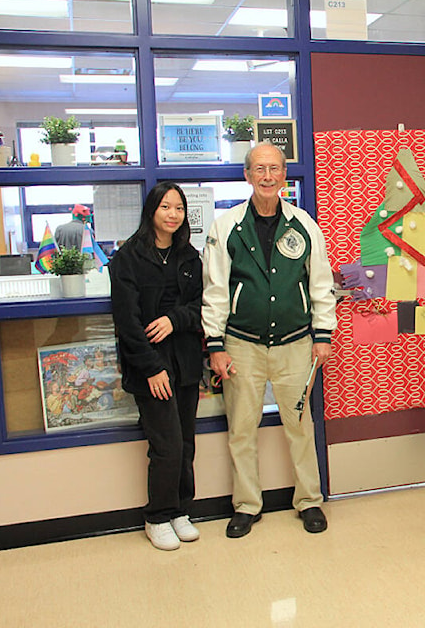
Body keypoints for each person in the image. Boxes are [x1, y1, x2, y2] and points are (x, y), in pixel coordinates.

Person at [202, 142, 336, 538]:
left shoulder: (303, 224)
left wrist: (323, 335)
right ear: (247, 175)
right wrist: (215, 344)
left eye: (274, 169)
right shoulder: (225, 226)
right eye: (259, 169)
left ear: (283, 175)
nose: (267, 176)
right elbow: (215, 289)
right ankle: (246, 505)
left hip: (296, 343)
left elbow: (321, 284)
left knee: (300, 425)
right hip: (241, 344)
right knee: (242, 428)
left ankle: (309, 501)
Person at [109, 182, 204, 551]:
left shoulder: (189, 256)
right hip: (150, 366)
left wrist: (173, 319)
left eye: (178, 208)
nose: (172, 214)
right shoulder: (128, 258)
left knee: (185, 443)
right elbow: (127, 323)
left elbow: (199, 306)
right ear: (152, 211)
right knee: (166, 446)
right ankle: (157, 516)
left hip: (185, 362)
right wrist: (151, 368)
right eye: (166, 207)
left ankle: (181, 509)